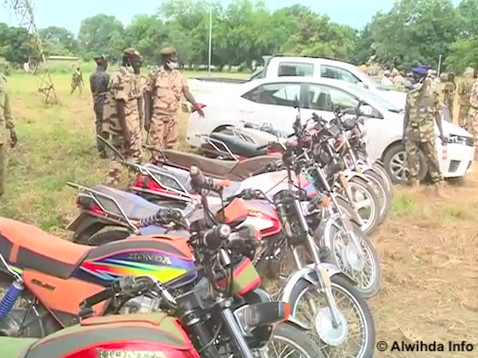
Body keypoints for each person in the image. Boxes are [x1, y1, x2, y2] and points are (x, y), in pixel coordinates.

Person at [145, 46, 204, 159]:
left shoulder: (179, 76)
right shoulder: (155, 74)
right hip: (158, 118)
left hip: (173, 118)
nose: (175, 61)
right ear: (165, 60)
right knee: (156, 149)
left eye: (175, 58)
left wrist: (196, 106)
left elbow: (186, 92)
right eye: (172, 59)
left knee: (172, 150)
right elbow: (147, 95)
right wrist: (147, 119)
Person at [102, 48, 144, 186]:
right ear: (129, 61)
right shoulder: (126, 77)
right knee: (136, 158)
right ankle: (136, 188)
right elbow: (120, 103)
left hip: (119, 125)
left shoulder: (117, 75)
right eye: (136, 61)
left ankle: (109, 188)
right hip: (127, 125)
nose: (139, 64)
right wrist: (126, 132)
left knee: (117, 159)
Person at [403, 68, 446, 196]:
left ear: (423, 79)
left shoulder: (433, 93)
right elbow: (406, 115)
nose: (413, 80)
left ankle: (439, 184)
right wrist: (404, 132)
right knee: (411, 158)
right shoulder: (411, 93)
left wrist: (442, 133)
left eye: (416, 78)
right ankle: (414, 182)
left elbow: (438, 115)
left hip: (427, 131)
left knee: (432, 158)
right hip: (412, 130)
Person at [0, 73, 18, 197]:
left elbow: (7, 108)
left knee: (1, 169)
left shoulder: (2, 81)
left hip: (0, 135)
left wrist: (12, 129)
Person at [89, 55, 110, 158]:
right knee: (106, 125)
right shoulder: (106, 76)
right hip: (105, 102)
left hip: (96, 101)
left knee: (99, 124)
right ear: (104, 64)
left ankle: (100, 147)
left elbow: (93, 90)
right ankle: (105, 148)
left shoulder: (92, 76)